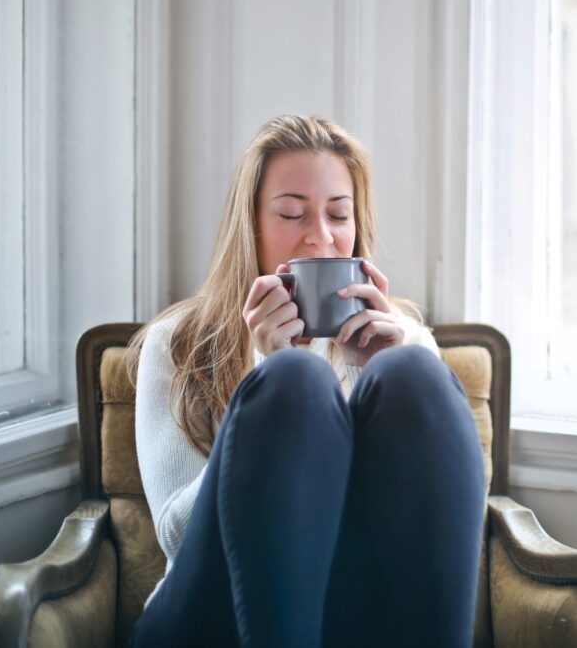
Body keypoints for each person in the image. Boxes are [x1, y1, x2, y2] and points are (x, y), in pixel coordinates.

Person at [126, 115, 485, 648]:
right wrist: (263, 374)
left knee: (411, 372)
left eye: (339, 215)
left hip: (355, 612)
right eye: (293, 214)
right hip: (208, 612)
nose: (321, 238)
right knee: (293, 380)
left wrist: (373, 375)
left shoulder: (403, 339)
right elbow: (177, 538)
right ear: (250, 224)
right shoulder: (176, 342)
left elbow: (447, 531)